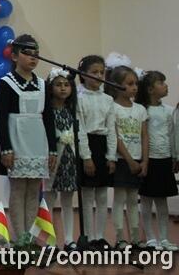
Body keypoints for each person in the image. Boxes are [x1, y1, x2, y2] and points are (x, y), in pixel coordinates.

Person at [0, 34, 56, 240]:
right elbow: (2, 118)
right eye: (27, 53)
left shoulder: (42, 84)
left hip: (37, 140)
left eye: (36, 54)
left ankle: (30, 236)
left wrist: (52, 149)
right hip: (16, 139)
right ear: (14, 56)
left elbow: (48, 118)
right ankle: (19, 237)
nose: (32, 57)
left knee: (34, 190)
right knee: (18, 188)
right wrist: (6, 148)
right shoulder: (6, 83)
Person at [76, 54, 116, 249]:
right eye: (94, 72)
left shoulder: (108, 99)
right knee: (87, 196)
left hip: (103, 145)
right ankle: (89, 237)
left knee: (101, 195)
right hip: (87, 145)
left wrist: (111, 156)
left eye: (102, 72)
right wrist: (86, 157)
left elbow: (111, 129)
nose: (99, 76)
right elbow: (81, 129)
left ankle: (100, 237)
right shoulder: (78, 98)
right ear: (83, 74)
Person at [105, 64, 147, 250]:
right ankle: (121, 238)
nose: (134, 87)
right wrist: (129, 160)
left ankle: (136, 238)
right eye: (130, 84)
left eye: (136, 83)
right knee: (120, 199)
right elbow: (115, 137)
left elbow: (144, 136)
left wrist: (144, 161)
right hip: (122, 160)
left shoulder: (140, 109)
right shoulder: (112, 108)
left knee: (133, 200)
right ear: (116, 86)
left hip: (138, 160)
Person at [136, 70, 178, 251]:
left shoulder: (169, 110)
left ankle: (165, 239)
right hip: (148, 159)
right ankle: (151, 239)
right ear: (150, 89)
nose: (166, 85)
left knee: (162, 201)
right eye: (161, 82)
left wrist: (175, 156)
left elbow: (172, 135)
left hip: (164, 158)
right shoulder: (141, 110)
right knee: (146, 200)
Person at [42, 68, 79, 250]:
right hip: (52, 159)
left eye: (66, 85)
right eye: (58, 85)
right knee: (49, 198)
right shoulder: (46, 111)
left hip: (70, 160)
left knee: (67, 200)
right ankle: (50, 240)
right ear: (50, 88)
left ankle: (69, 239)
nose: (63, 88)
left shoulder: (72, 111)